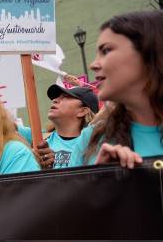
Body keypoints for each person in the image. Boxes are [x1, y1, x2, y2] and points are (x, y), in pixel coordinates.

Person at [71, 10, 163, 168]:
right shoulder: (91, 139)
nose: (94, 65)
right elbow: (72, 192)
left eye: (106, 51)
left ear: (148, 54)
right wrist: (101, 179)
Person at [19, 85, 98, 168]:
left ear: (82, 111)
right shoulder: (38, 138)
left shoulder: (95, 146)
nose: (55, 100)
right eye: (56, 97)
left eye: (66, 97)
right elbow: (6, 125)